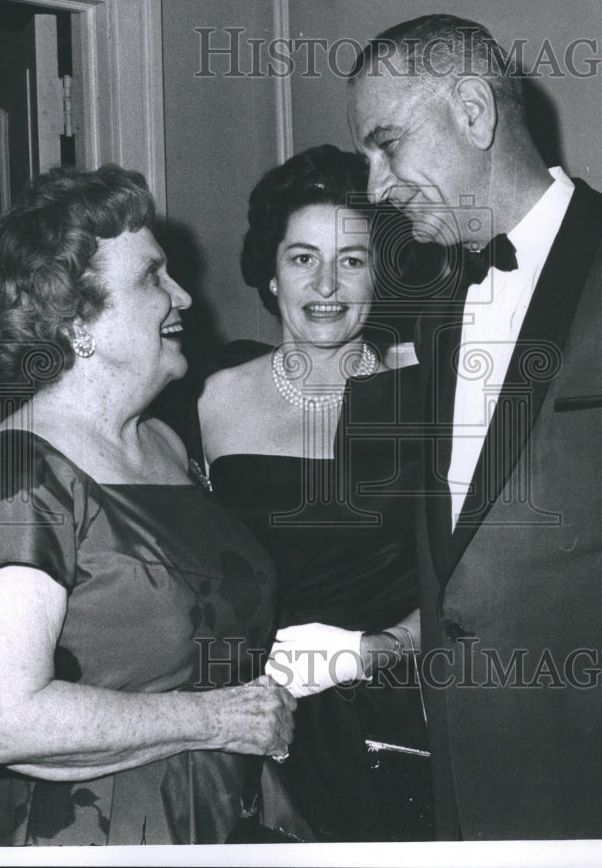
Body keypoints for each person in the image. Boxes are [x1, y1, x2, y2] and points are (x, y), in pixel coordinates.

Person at [0, 164, 297, 846]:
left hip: (224, 815)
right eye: (152, 278)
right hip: (93, 832)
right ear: (77, 317)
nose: (185, 297)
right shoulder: (18, 468)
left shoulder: (165, 441)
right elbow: (0, 720)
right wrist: (215, 720)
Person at [348, 14, 602, 840]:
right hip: (460, 782)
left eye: (387, 144)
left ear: (473, 110)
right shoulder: (424, 304)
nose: (374, 187)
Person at [196, 144, 433, 842]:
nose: (325, 283)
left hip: (401, 711)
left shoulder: (425, 394)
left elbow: (475, 581)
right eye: (302, 258)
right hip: (257, 724)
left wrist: (379, 649)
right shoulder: (208, 398)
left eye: (352, 260)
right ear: (269, 275)